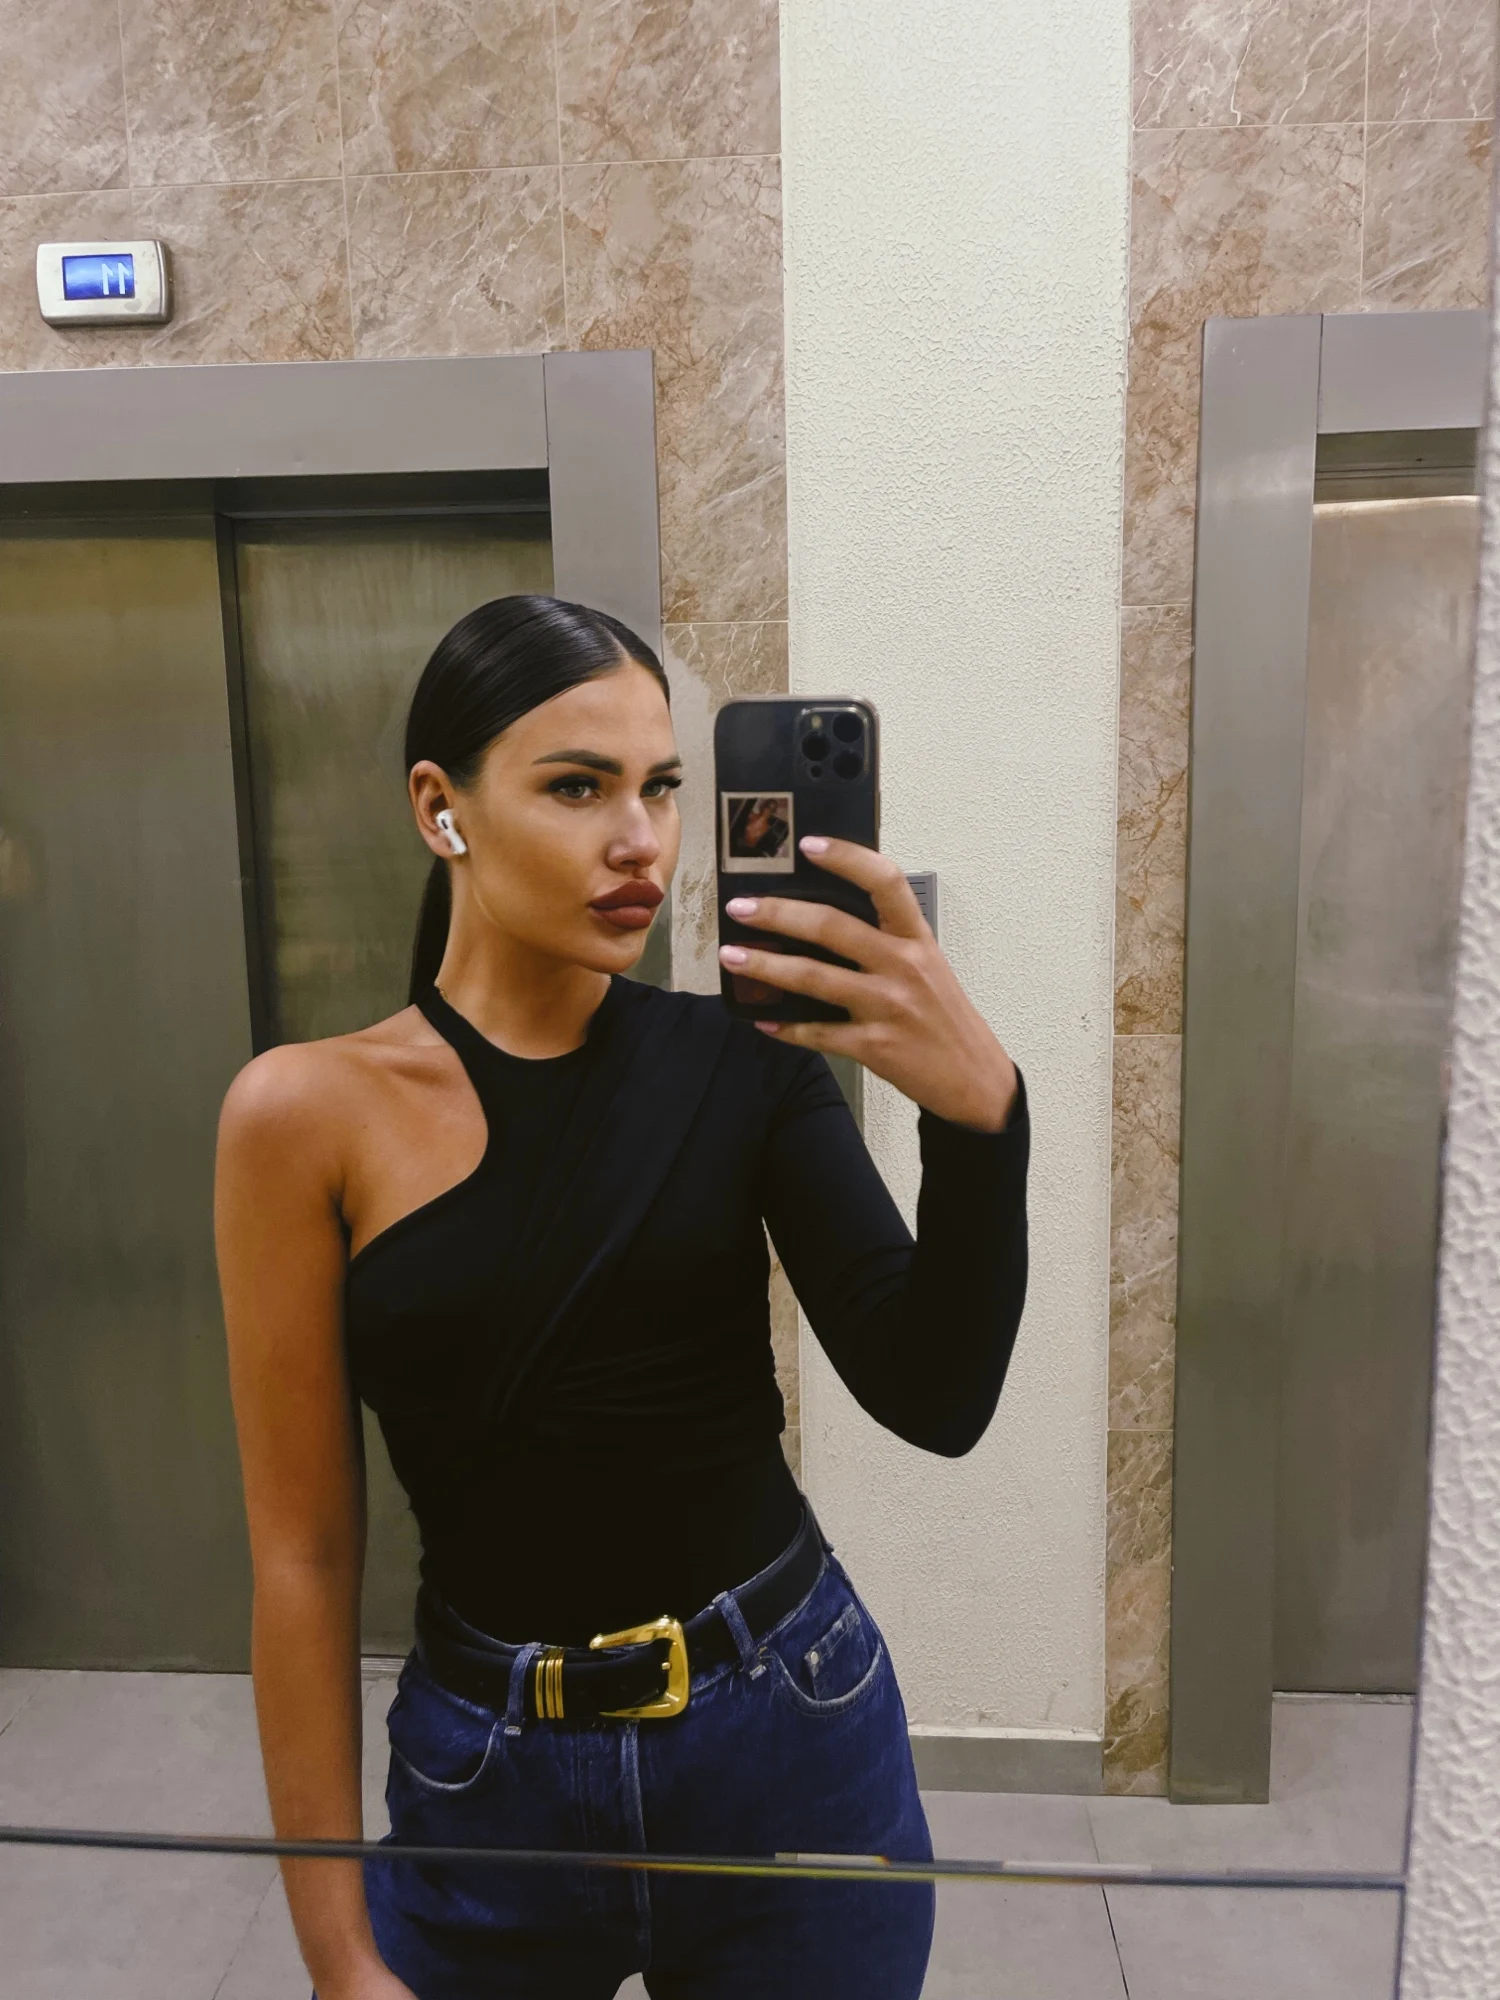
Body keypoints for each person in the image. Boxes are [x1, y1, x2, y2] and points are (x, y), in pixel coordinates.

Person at [214, 594, 1030, 2000]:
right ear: (441, 807)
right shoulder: (303, 1115)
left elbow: (937, 1395)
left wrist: (981, 1124)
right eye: (579, 787)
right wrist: (336, 1951)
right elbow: (301, 1555)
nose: (642, 839)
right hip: (490, 1777)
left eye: (660, 788)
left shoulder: (749, 1065)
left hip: (788, 1730)